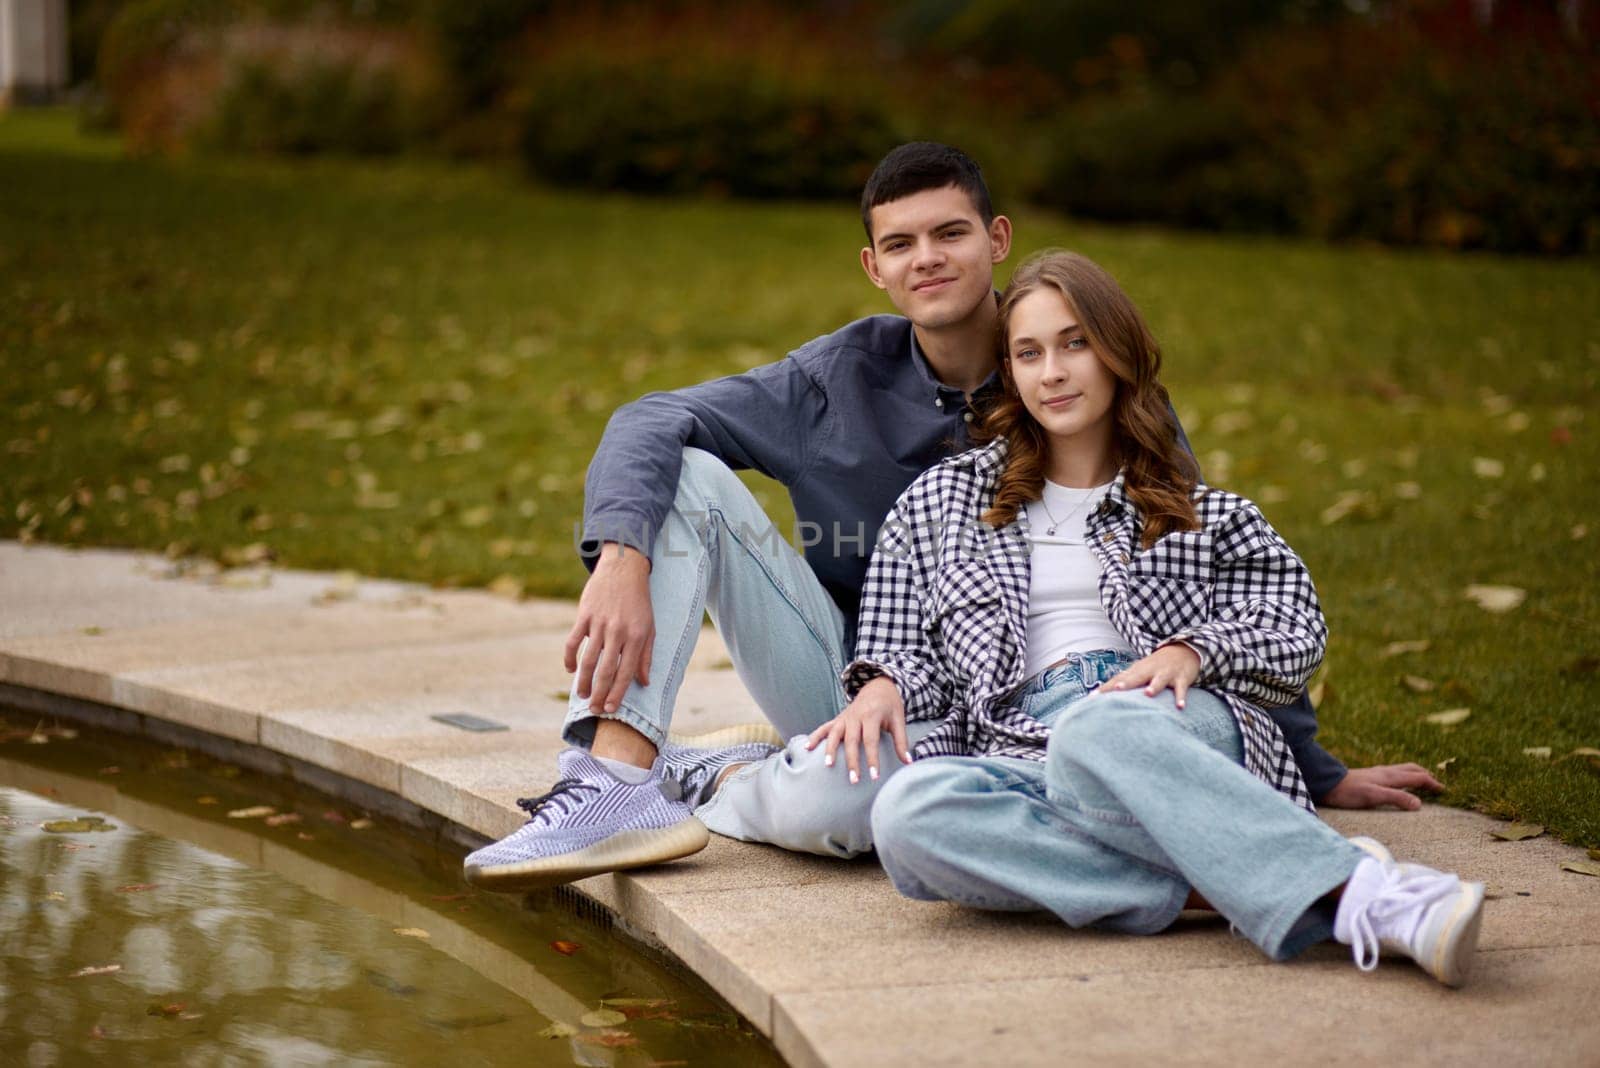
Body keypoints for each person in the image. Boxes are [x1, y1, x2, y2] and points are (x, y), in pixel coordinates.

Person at [462, 144, 1440, 893]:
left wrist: (1310, 765)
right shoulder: (828, 379)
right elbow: (652, 418)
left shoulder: (1080, 375)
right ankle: (616, 779)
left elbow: (1196, 574)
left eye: (949, 233)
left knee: (862, 823)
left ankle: (721, 780)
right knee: (687, 478)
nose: (926, 258)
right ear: (873, 267)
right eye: (901, 244)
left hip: (1030, 709)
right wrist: (621, 556)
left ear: (996, 239)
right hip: (861, 683)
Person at [829, 249, 1483, 985]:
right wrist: (882, 683)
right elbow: (895, 640)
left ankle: (1380, 901)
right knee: (909, 812)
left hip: (1169, 724)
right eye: (1028, 352)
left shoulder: (1203, 514)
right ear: (1007, 373)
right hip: (1025, 753)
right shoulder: (941, 504)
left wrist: (1194, 650)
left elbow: (1295, 623)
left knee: (1096, 725)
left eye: (1075, 342)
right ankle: (1288, 886)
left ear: (1117, 353)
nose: (1053, 371)